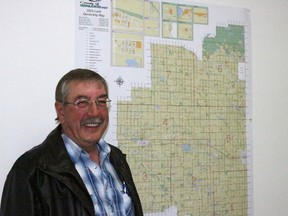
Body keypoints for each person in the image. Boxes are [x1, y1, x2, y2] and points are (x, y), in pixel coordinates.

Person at [0, 68, 143, 216]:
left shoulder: (116, 159)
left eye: (101, 101)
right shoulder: (30, 171)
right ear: (61, 111)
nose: (94, 112)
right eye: (82, 102)